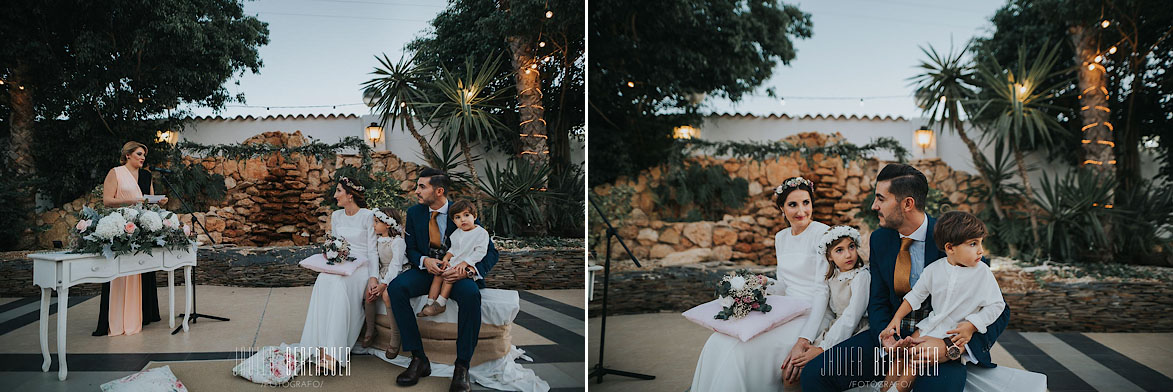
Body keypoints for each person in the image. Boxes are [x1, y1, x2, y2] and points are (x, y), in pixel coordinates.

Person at [802, 163, 1011, 392]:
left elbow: (1000, 310)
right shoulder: (880, 239)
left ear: (907, 204)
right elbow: (879, 300)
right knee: (815, 374)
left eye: (881, 199)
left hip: (938, 343)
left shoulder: (953, 237)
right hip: (891, 342)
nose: (874, 206)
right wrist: (886, 337)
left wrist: (952, 347)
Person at [690, 176, 831, 392]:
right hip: (786, 308)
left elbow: (822, 291)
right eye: (793, 204)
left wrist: (805, 339)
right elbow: (784, 284)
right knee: (718, 341)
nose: (801, 210)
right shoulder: (781, 237)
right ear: (782, 209)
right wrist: (763, 283)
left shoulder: (822, 233)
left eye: (806, 202)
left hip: (815, 314)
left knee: (743, 351)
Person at [387, 167, 500, 392]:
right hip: (426, 271)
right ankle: (419, 358)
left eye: (422, 186)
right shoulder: (415, 213)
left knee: (471, 294)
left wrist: (468, 271)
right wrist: (424, 261)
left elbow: (490, 252)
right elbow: (411, 249)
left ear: (439, 191)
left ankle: (462, 366)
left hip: (456, 273)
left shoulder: (462, 212)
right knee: (396, 288)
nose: (416, 190)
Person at [878, 211, 1005, 392]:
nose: (981, 250)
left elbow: (997, 305)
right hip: (929, 326)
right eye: (973, 244)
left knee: (915, 359)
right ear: (950, 248)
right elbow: (916, 296)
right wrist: (896, 318)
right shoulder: (934, 270)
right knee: (900, 356)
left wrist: (973, 325)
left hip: (952, 334)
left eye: (980, 243)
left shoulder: (982, 272)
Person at [298, 176, 381, 369]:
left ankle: (333, 352)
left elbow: (372, 250)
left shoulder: (368, 215)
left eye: (338, 191)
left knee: (339, 285)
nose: (335, 195)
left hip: (362, 265)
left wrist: (373, 277)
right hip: (341, 263)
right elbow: (335, 244)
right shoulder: (336, 216)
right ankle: (319, 344)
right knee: (323, 280)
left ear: (350, 195)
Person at [93, 141, 168, 337]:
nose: (143, 158)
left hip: (141, 226)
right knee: (122, 273)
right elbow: (107, 200)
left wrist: (158, 202)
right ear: (128, 155)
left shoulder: (146, 175)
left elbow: (149, 202)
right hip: (121, 227)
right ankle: (117, 316)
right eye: (139, 154)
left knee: (143, 270)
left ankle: (145, 314)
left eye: (144, 155)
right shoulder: (115, 172)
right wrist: (133, 200)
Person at [417, 200, 489, 317]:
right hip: (454, 262)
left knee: (448, 277)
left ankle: (441, 303)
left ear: (474, 216)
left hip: (465, 265)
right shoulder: (457, 233)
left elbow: (481, 251)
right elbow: (453, 249)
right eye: (457, 217)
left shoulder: (481, 233)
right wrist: (446, 259)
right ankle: (429, 303)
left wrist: (466, 263)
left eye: (466, 215)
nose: (463, 219)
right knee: (438, 276)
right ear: (454, 221)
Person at [810, 226, 870, 355]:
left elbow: (852, 316)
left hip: (856, 329)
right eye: (839, 250)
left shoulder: (861, 276)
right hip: (836, 326)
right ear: (829, 256)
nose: (848, 254)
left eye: (851, 247)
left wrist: (824, 347)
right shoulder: (833, 277)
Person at [362, 207, 408, 360]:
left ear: (387, 224)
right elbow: (374, 259)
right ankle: (370, 329)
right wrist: (375, 280)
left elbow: (396, 265)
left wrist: (384, 284)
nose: (373, 225)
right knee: (369, 293)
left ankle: (396, 336)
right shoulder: (377, 240)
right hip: (383, 272)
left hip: (398, 272)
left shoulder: (398, 242)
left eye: (376, 222)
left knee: (388, 295)